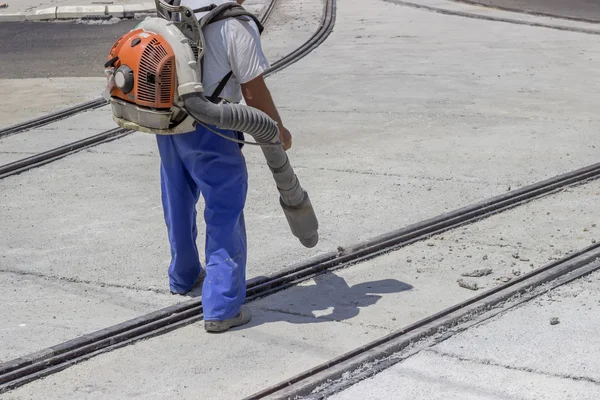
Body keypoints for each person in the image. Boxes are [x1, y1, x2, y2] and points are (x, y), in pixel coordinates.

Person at [156, 0, 292, 333]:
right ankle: (222, 306)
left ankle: (184, 276)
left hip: (169, 123)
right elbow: (252, 89)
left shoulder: (181, 7)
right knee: (224, 211)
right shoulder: (236, 24)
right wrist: (277, 129)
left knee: (177, 199)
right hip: (213, 128)